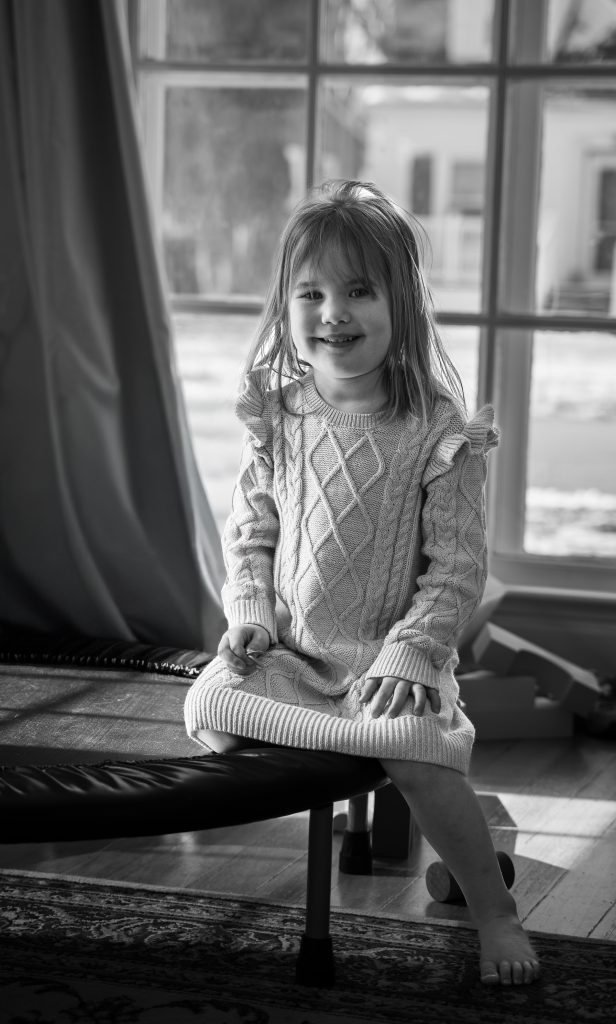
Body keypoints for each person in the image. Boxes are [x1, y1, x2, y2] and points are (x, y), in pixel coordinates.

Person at [184, 179, 540, 986]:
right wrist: (248, 613)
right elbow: (252, 532)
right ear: (285, 305)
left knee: (415, 753)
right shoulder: (275, 414)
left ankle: (494, 910)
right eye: (310, 293)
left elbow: (455, 570)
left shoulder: (438, 429)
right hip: (297, 651)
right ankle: (333, 742)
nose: (332, 313)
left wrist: (412, 656)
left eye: (357, 291)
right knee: (209, 705)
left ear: (401, 305)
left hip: (389, 656)